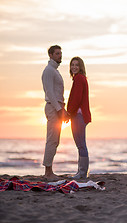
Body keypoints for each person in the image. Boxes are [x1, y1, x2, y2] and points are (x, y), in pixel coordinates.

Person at [41, 45, 69, 180]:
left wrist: (63, 109)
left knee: (55, 140)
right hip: (53, 108)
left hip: (57, 108)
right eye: (57, 54)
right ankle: (48, 172)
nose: (60, 56)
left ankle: (49, 170)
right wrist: (59, 110)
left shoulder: (54, 70)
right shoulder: (49, 71)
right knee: (52, 139)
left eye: (60, 53)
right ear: (51, 55)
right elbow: (50, 93)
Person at [67, 57, 92, 179]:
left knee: (81, 144)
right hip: (80, 115)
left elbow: (76, 99)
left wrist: (68, 113)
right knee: (81, 144)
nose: (74, 67)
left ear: (81, 67)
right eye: (72, 65)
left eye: (77, 65)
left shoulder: (79, 78)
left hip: (78, 115)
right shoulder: (80, 79)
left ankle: (82, 172)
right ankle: (81, 172)